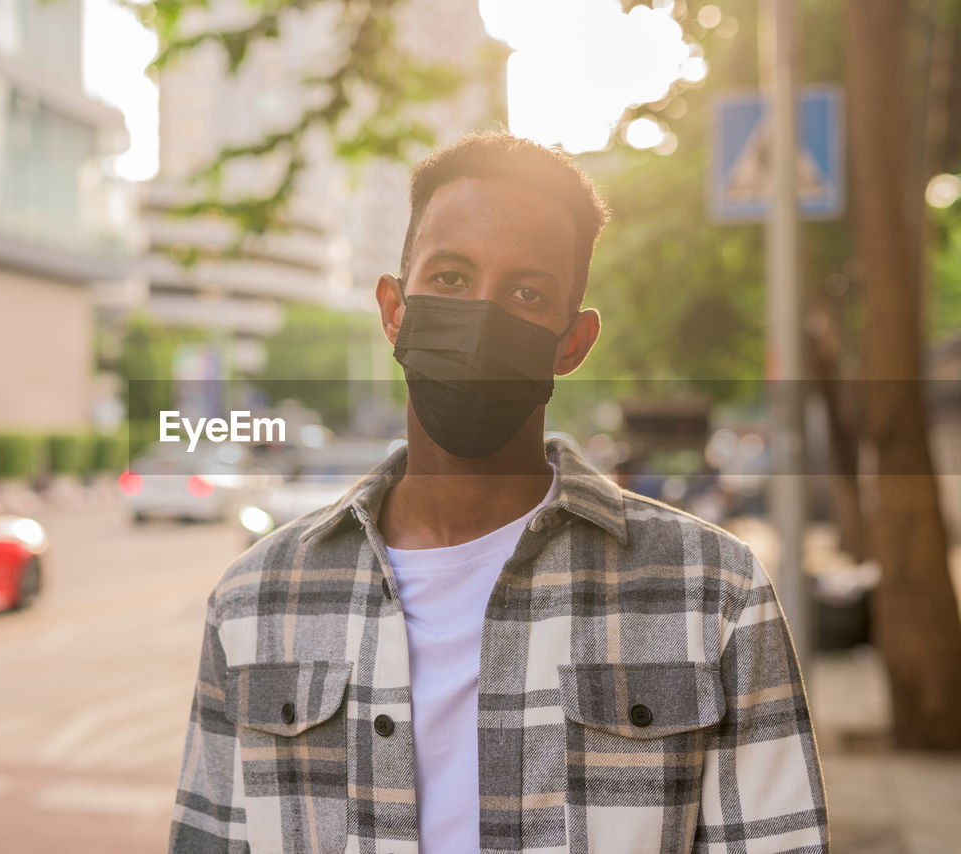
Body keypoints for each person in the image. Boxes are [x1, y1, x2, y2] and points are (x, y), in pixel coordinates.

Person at [168, 131, 828, 854]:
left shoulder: (716, 596)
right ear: (395, 310)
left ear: (572, 344)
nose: (481, 318)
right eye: (450, 279)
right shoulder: (254, 600)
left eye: (526, 293)